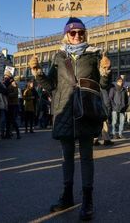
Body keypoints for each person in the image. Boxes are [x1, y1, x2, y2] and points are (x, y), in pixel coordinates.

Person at [29, 17, 111, 221]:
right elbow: (50, 86)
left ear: (85, 34)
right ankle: (67, 196)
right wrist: (37, 72)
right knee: (66, 158)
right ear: (66, 34)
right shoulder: (58, 57)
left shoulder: (94, 55)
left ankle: (88, 200)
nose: (77, 36)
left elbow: (102, 84)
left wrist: (105, 70)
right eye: (73, 33)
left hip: (86, 111)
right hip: (65, 112)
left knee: (86, 157)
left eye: (80, 32)